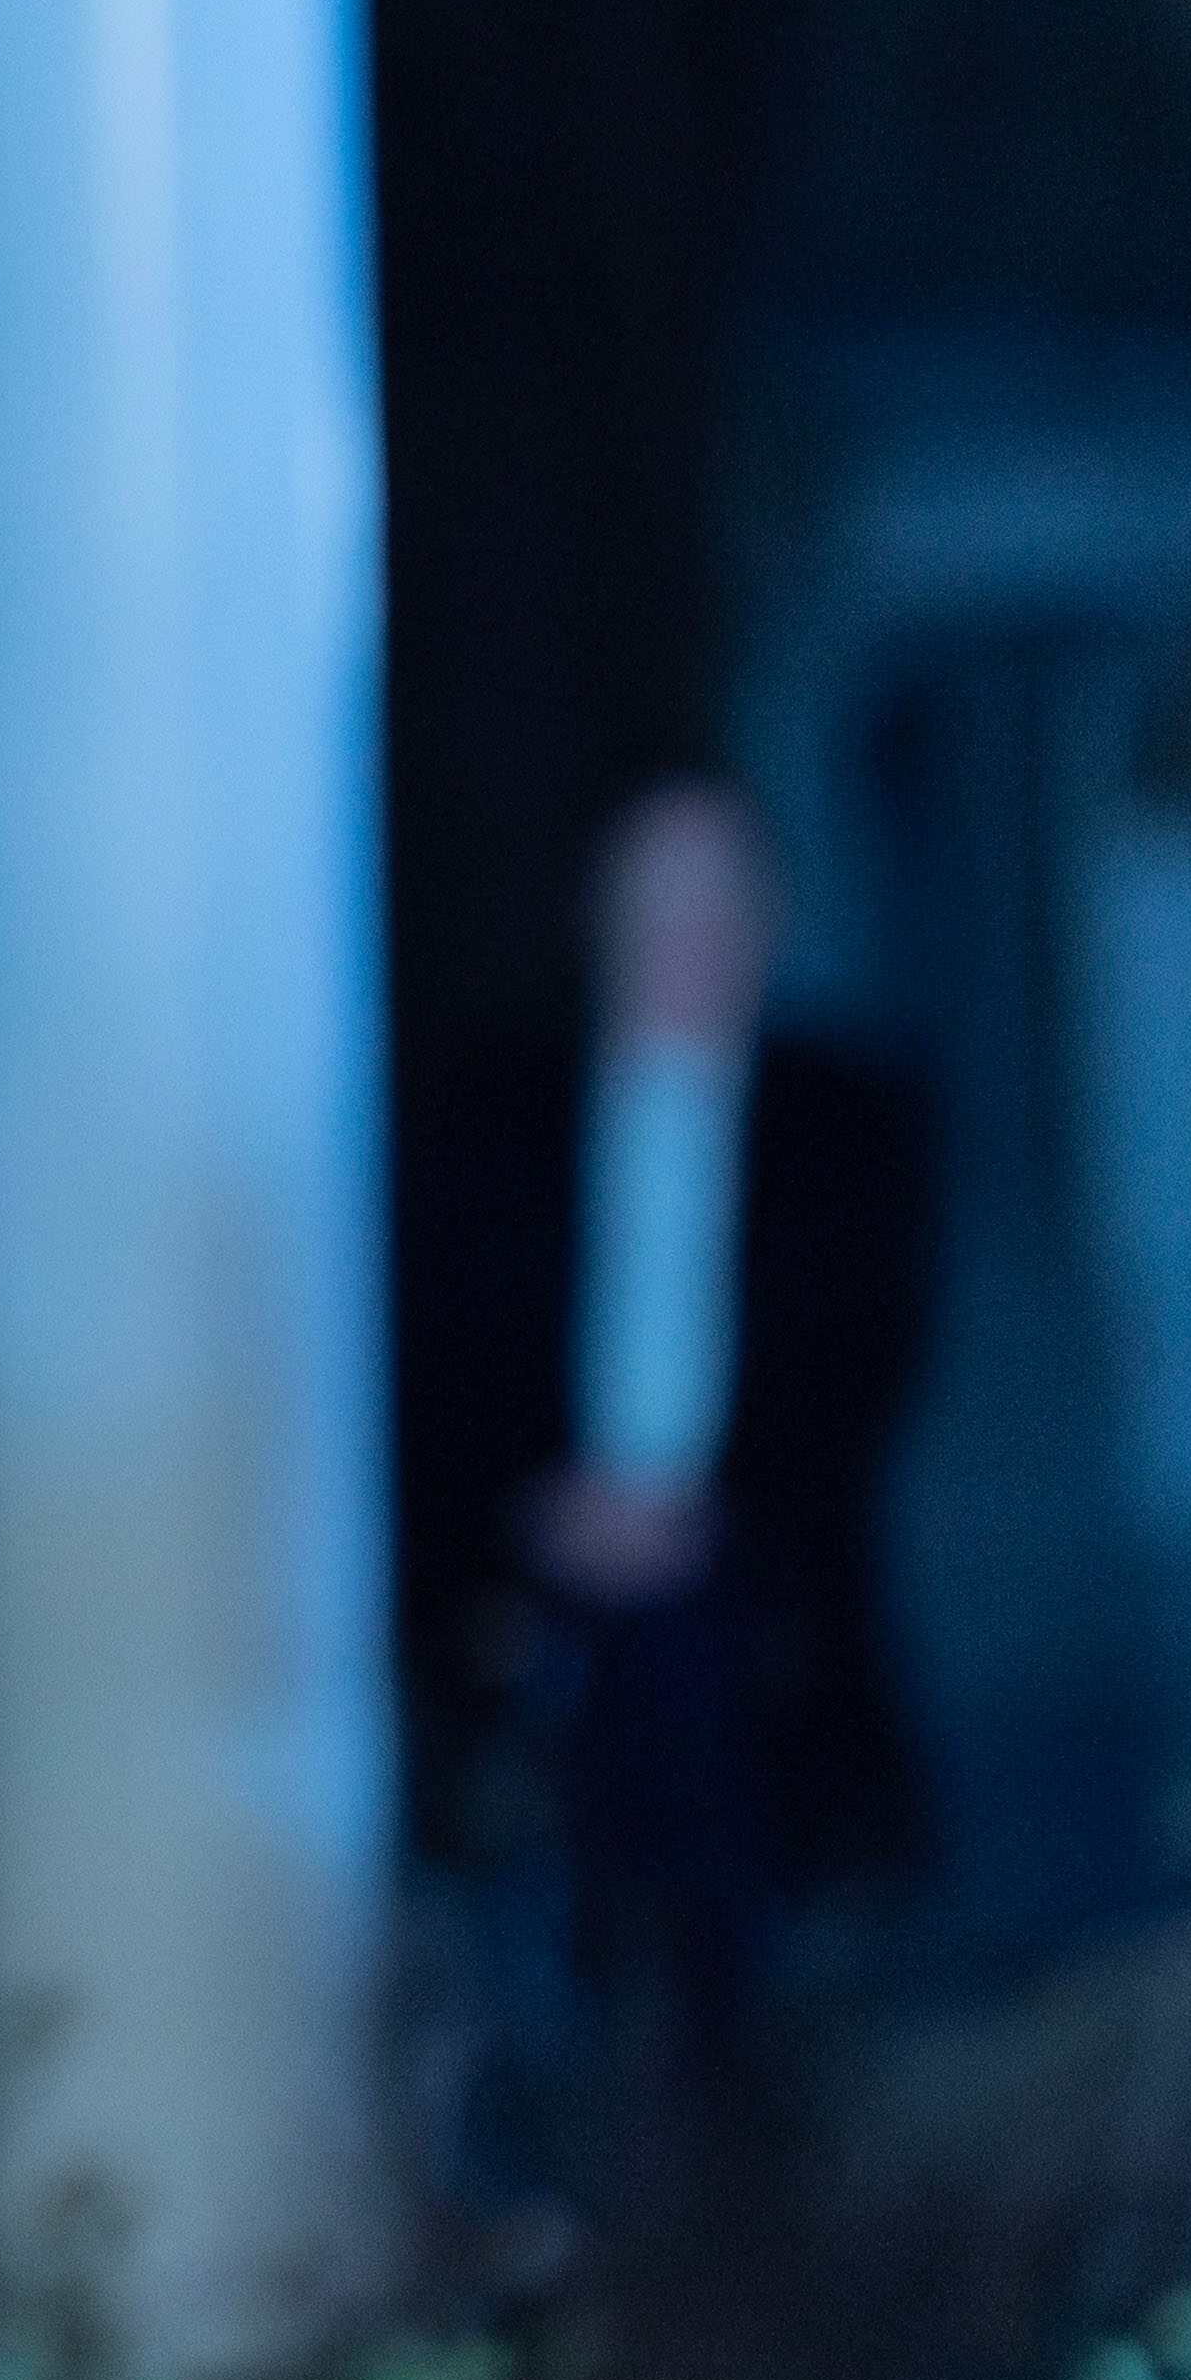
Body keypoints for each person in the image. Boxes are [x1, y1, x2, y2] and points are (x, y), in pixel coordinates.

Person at [397, 781, 935, 2155]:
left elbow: (863, 1375)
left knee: (752, 1991)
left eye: (717, 908)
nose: (686, 942)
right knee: (543, 1964)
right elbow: (438, 1360)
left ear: (768, 925)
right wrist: (541, 1517)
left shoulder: (849, 1129)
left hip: (755, 1617)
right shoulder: (492, 1123)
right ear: (600, 920)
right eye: (656, 906)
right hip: (534, 1607)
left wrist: (709, 1517)